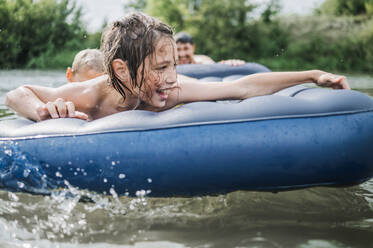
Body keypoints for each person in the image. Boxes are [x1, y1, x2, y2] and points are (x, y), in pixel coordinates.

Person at [5, 12, 350, 122]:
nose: (171, 78)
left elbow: (245, 86)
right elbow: (16, 93)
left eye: (172, 66)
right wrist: (42, 110)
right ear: (122, 70)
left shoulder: (174, 88)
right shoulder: (91, 96)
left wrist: (311, 74)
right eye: (160, 67)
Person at [174, 32, 245, 66]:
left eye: (186, 48)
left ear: (193, 47)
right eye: (178, 49)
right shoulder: (171, 66)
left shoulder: (202, 60)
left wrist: (229, 63)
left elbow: (214, 66)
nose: (182, 54)